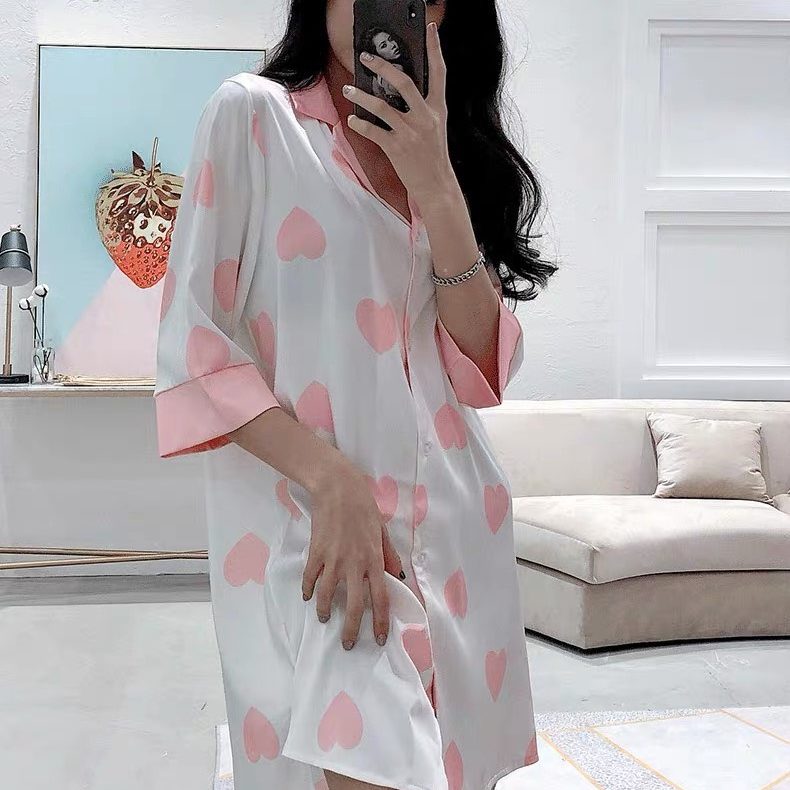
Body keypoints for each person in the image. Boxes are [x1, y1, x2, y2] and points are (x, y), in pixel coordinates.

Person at [154, 1, 557, 788]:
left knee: (440, 764)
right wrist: (332, 480)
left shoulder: (446, 149)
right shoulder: (253, 118)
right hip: (312, 527)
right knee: (368, 755)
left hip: (452, 527)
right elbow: (194, 345)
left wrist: (436, 181)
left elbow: (480, 364)